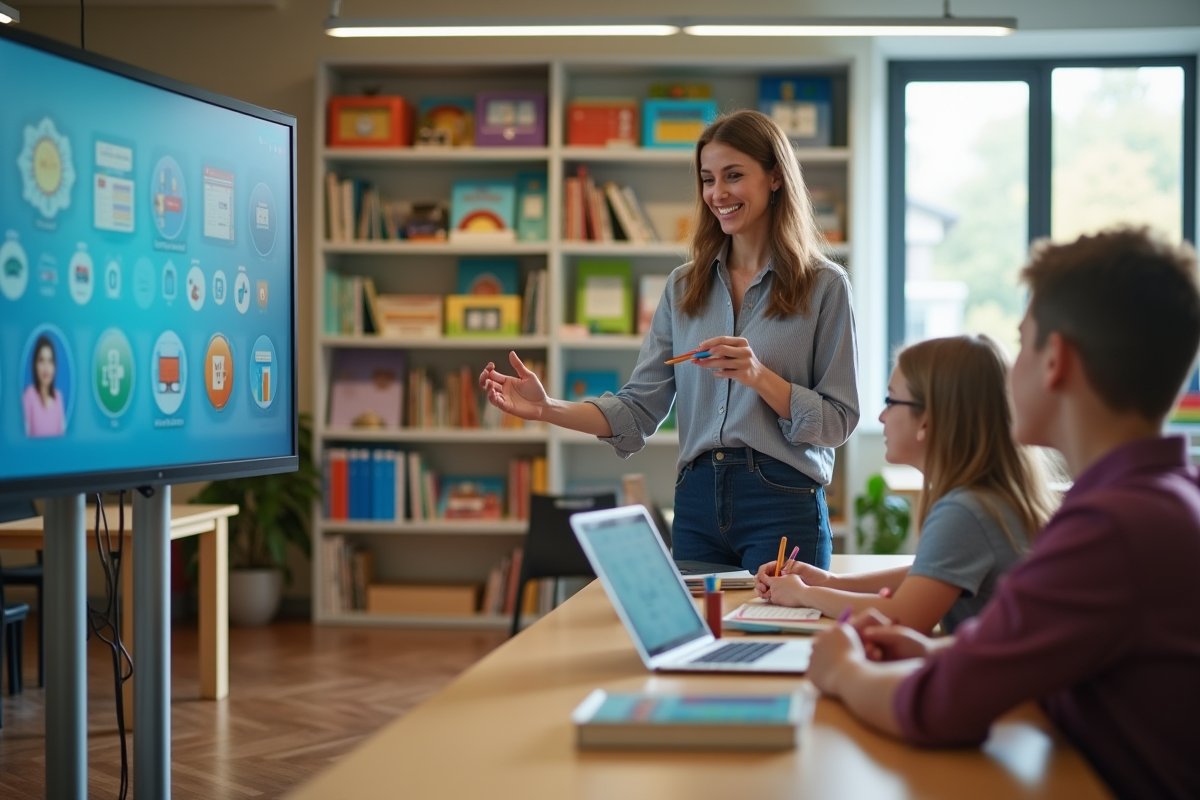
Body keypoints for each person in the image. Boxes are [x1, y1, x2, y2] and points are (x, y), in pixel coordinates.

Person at [806, 227, 1200, 800]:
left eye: (1023, 344)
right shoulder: (1159, 497)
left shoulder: (1110, 530)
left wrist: (841, 668)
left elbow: (937, 711)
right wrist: (943, 653)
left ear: (1055, 361)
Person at [480, 110, 858, 571]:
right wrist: (546, 409)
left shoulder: (825, 286)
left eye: (734, 176)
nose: (718, 194)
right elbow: (638, 409)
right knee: (695, 641)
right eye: (707, 179)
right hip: (697, 502)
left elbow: (838, 422)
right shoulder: (683, 287)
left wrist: (760, 378)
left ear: (776, 177)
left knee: (779, 636)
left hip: (782, 501)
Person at [755, 334, 1057, 633]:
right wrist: (829, 582)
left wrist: (803, 595)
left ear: (926, 420)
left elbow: (903, 617)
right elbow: (925, 574)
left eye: (891, 400)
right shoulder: (984, 499)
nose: (882, 416)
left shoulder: (965, 512)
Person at [22, 333, 65, 438]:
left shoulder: (58, 398)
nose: (46, 367)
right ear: (35, 365)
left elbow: (62, 438)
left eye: (50, 361)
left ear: (54, 366)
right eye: (41, 360)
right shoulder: (29, 396)